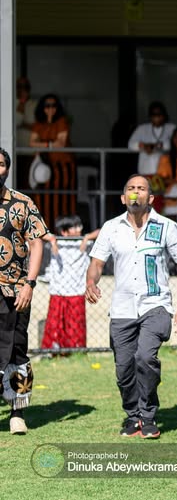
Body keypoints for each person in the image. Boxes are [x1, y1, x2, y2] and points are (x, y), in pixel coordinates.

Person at [85, 174, 177, 439]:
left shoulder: (166, 226)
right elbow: (97, 263)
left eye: (141, 188)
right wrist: (91, 281)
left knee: (145, 357)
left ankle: (148, 416)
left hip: (155, 306)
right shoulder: (111, 227)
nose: (136, 192)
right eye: (131, 188)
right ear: (124, 198)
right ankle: (132, 416)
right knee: (124, 368)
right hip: (122, 308)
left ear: (151, 198)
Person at [0, 148, 47, 435]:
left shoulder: (22, 202)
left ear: (7, 168)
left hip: (16, 289)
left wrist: (30, 283)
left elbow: (38, 242)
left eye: (1, 164)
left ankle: (18, 410)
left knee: (18, 349)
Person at [41, 215, 98, 351]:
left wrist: (87, 237)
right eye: (75, 227)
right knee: (56, 323)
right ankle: (53, 349)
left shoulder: (83, 242)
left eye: (80, 226)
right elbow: (39, 233)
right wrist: (52, 239)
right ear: (64, 232)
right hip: (58, 290)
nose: (79, 229)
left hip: (76, 290)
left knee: (75, 323)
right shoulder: (57, 243)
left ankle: (76, 349)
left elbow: (101, 231)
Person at [29, 93, 76, 228]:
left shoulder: (62, 122)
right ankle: (43, 229)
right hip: (43, 167)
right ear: (42, 108)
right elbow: (31, 143)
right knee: (42, 198)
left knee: (62, 200)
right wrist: (49, 145)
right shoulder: (38, 124)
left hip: (62, 167)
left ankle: (64, 230)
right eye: (47, 106)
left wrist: (42, 144)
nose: (50, 109)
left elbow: (60, 143)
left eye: (53, 105)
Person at [128, 101, 177, 177]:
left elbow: (176, 144)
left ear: (164, 115)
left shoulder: (172, 128)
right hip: (146, 171)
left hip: (166, 172)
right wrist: (144, 146)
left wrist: (157, 146)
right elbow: (130, 144)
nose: (156, 117)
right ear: (150, 116)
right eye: (153, 114)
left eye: (159, 114)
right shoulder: (142, 128)